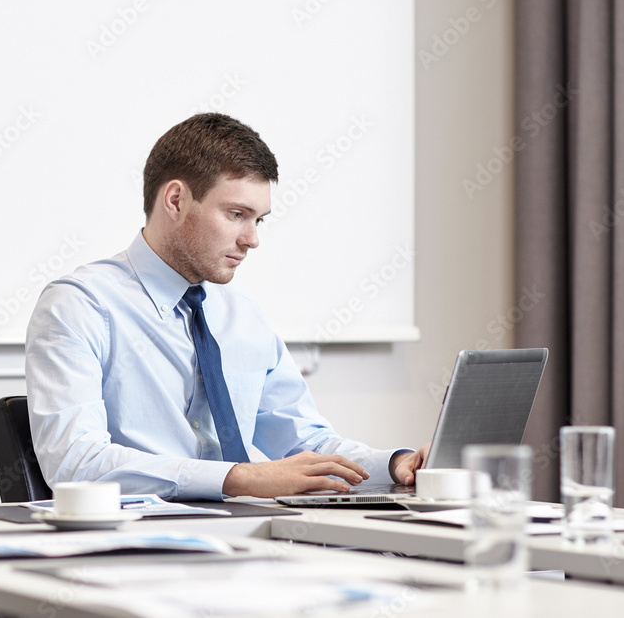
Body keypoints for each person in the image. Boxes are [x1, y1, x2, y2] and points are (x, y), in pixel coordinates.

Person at [25, 112, 428, 500]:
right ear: (176, 200)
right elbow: (75, 462)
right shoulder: (80, 305)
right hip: (142, 548)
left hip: (252, 535)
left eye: (259, 221)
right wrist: (239, 478)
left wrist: (395, 464)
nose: (252, 240)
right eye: (237, 214)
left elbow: (306, 442)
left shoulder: (243, 317)